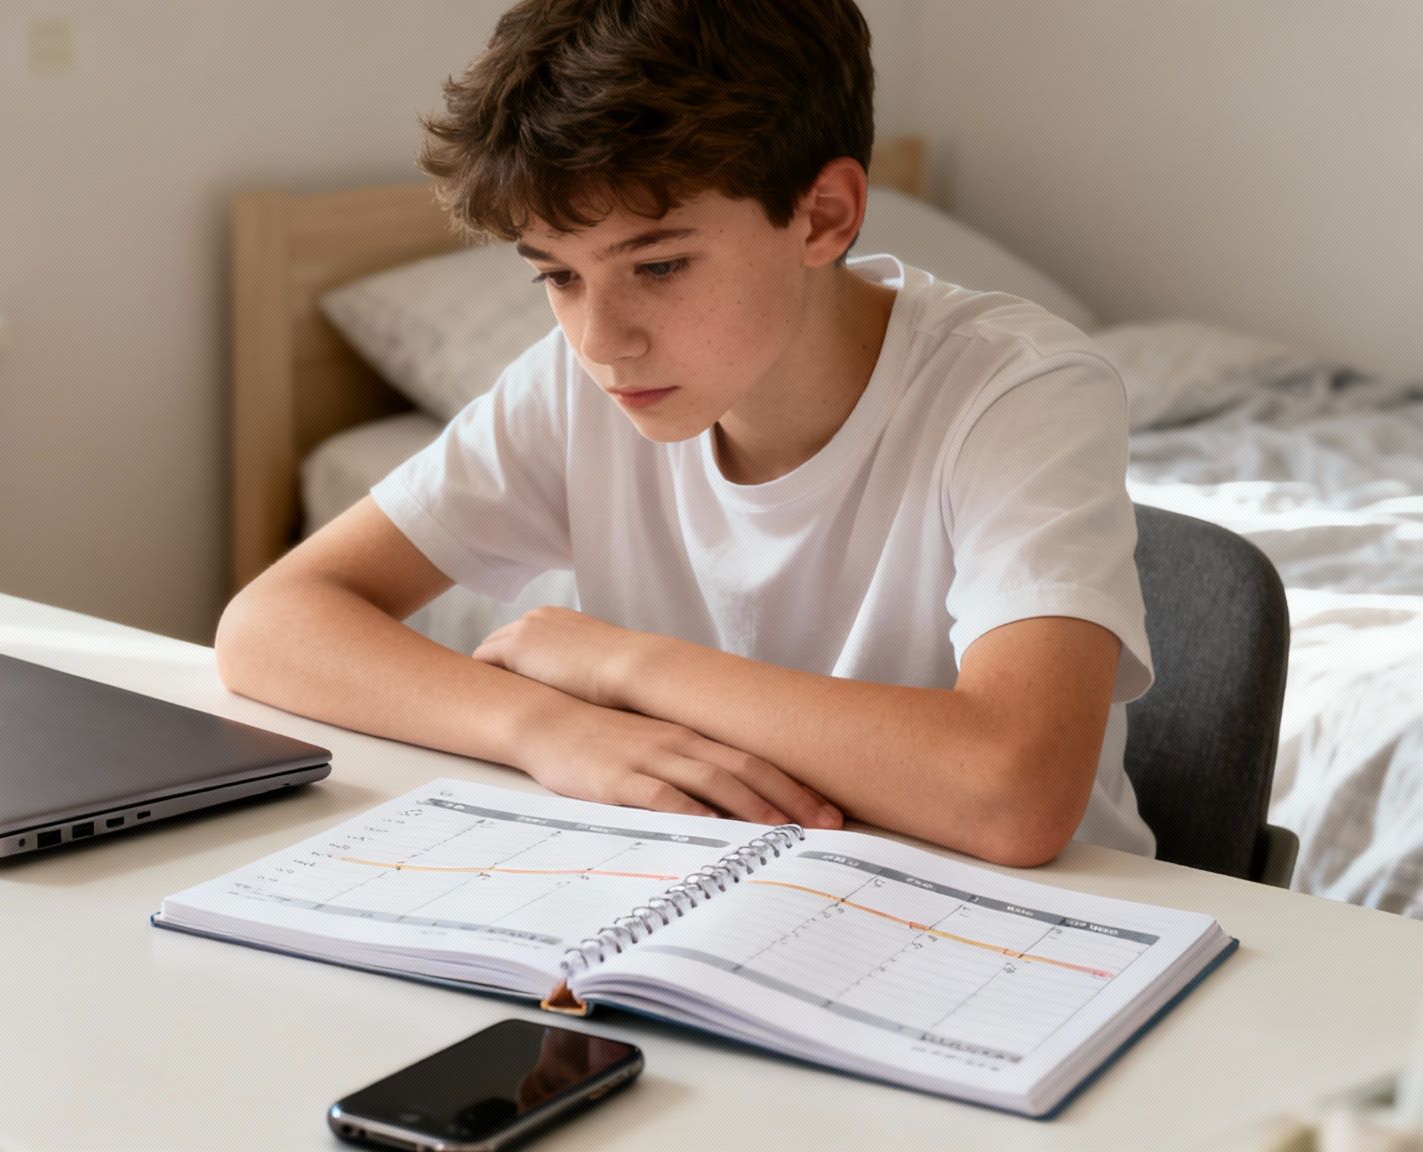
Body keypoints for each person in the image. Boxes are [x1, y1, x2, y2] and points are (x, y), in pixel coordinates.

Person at [215, 0, 1155, 866]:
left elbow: (1014, 793)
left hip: (1035, 931)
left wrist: (623, 665)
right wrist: (548, 728)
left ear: (823, 215)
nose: (601, 342)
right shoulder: (575, 388)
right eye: (557, 276)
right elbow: (269, 624)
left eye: (658, 265)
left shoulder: (1018, 392)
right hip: (721, 888)